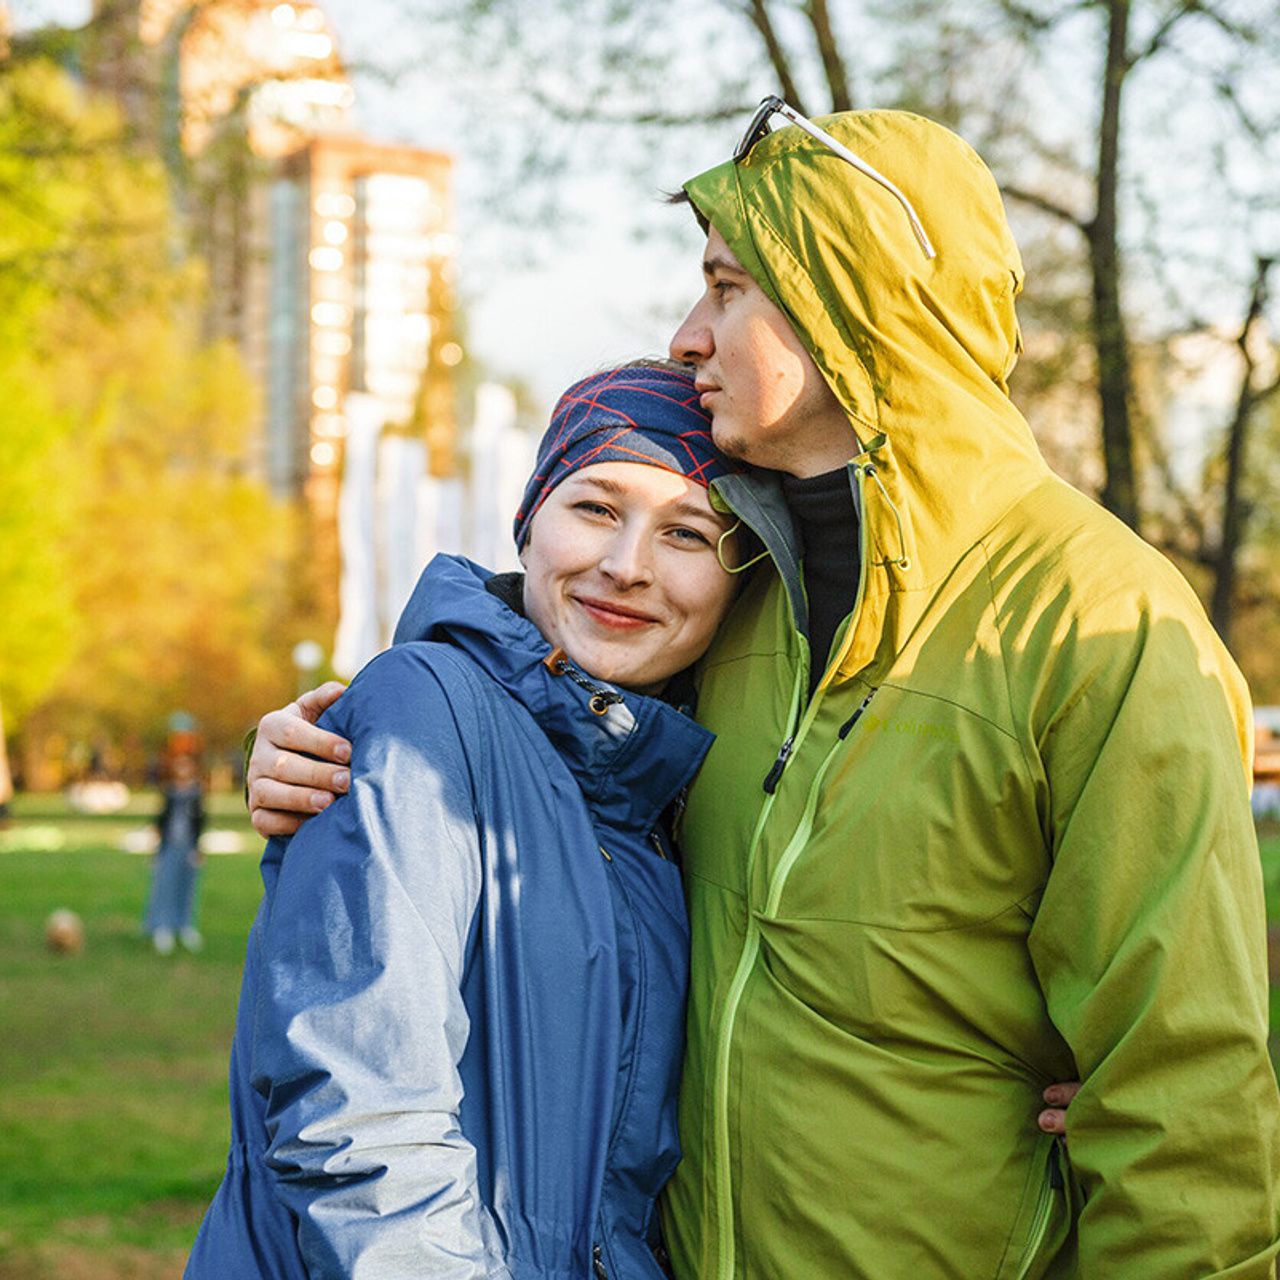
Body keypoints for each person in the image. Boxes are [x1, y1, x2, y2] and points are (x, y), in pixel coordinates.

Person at [249, 104, 1280, 1277]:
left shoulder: (1104, 623)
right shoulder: (740, 598)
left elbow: (1181, 1100)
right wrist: (346, 738)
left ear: (852, 303)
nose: (688, 335)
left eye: (726, 288)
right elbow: (549, 699)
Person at [185, 362, 744, 1279]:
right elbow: (360, 1120)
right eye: (596, 508)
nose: (626, 565)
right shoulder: (424, 709)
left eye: (688, 534)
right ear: (529, 520)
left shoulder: (658, 792)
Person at [144, 751, 205, 955]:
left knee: (186, 886)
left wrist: (197, 848)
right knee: (164, 885)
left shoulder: (196, 793)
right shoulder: (169, 792)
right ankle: (162, 926)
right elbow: (161, 819)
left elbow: (200, 822)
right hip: (170, 844)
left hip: (188, 846)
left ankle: (185, 925)